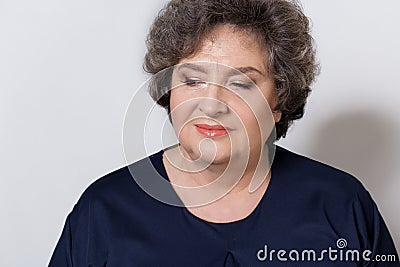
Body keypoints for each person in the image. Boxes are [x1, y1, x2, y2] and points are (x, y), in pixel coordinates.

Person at [49, 0, 399, 266]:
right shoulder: (104, 211)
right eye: (194, 79)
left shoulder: (340, 203)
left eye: (240, 82)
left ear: (279, 99)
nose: (212, 104)